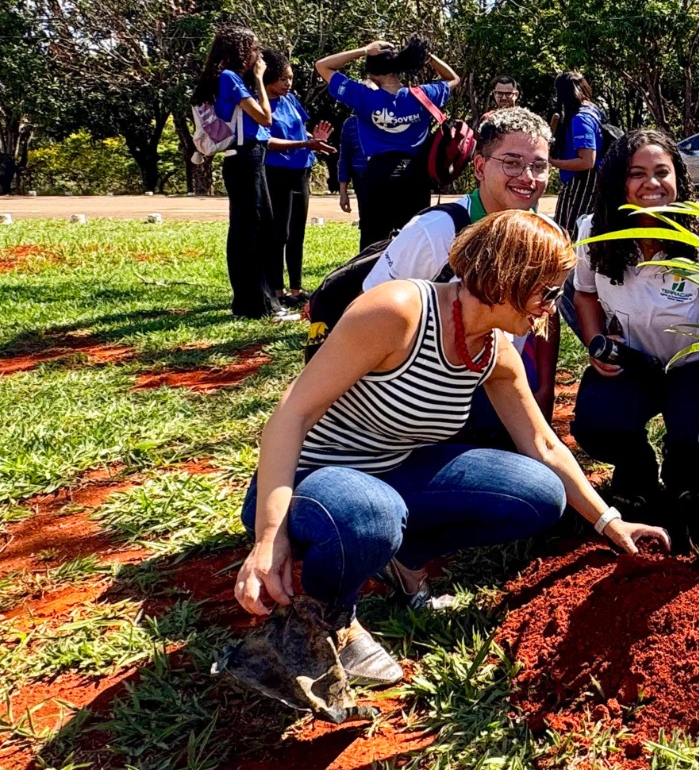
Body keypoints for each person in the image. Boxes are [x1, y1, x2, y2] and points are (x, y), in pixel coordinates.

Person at [234, 209, 669, 686]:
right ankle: (323, 623)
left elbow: (542, 443)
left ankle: (401, 557)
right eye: (545, 291)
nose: (550, 307)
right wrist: (269, 534)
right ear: (507, 277)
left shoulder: (495, 350)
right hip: (306, 480)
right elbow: (288, 416)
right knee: (370, 512)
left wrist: (610, 522)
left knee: (538, 492)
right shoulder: (397, 312)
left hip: (387, 473)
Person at [570, 130, 699, 526]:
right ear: (618, 181)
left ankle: (686, 475)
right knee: (596, 425)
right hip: (633, 361)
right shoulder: (595, 231)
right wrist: (596, 340)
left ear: (679, 178)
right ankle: (636, 468)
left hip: (695, 363)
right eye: (637, 173)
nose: (652, 184)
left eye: (662, 172)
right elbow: (583, 294)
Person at [363, 107, 561, 426]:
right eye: (512, 162)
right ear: (480, 167)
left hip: (502, 381)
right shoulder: (435, 232)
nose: (527, 177)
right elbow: (369, 312)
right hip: (422, 394)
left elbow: (548, 316)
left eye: (539, 166)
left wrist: (543, 389)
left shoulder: (545, 234)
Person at [194, 26, 296, 322]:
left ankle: (250, 303)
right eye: (253, 48)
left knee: (251, 229)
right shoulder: (230, 78)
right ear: (240, 51)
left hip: (249, 157)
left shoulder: (230, 79)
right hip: (245, 157)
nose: (257, 55)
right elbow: (265, 116)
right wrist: (262, 79)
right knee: (253, 230)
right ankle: (260, 305)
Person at [315, 36, 460, 242]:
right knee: (414, 240)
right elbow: (454, 78)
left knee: (373, 240)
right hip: (415, 176)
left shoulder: (363, 96)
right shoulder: (423, 95)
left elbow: (322, 66)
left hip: (378, 174)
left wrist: (364, 50)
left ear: (372, 75)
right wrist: (426, 57)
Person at [263, 51, 333, 307]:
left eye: (290, 78)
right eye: (282, 78)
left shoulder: (290, 100)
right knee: (278, 234)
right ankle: (277, 291)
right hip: (275, 173)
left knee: (297, 234)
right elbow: (267, 142)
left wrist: (315, 140)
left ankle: (296, 288)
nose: (288, 84)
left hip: (300, 170)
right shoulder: (261, 105)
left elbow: (300, 130)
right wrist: (306, 142)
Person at [551, 70, 606, 236]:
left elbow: (587, 161)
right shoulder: (594, 110)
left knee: (568, 231)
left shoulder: (581, 118)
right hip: (586, 180)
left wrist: (552, 162)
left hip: (583, 181)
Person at [337, 114, 375, 247]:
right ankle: (367, 265)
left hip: (394, 179)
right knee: (368, 229)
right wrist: (343, 192)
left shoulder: (394, 119)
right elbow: (344, 158)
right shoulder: (351, 124)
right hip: (363, 180)